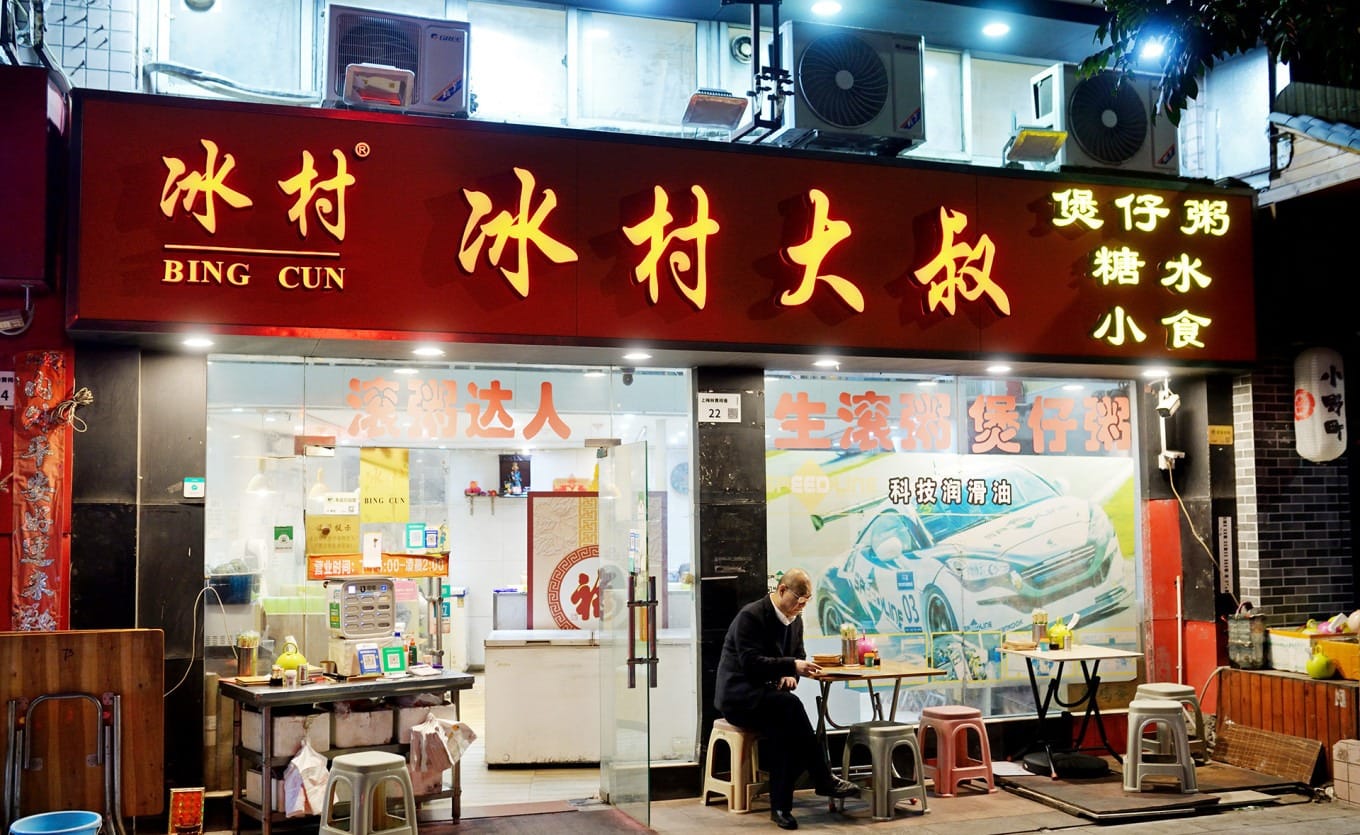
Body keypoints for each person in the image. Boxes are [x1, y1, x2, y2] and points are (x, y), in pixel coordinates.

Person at [715, 568, 858, 830]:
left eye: (806, 602)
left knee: (785, 731)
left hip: (771, 698)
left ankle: (782, 808)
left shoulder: (795, 621)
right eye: (798, 600)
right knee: (790, 707)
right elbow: (750, 664)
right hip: (740, 696)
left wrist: (792, 674)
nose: (801, 607)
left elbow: (798, 654)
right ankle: (823, 778)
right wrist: (790, 667)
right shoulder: (751, 616)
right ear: (781, 590)